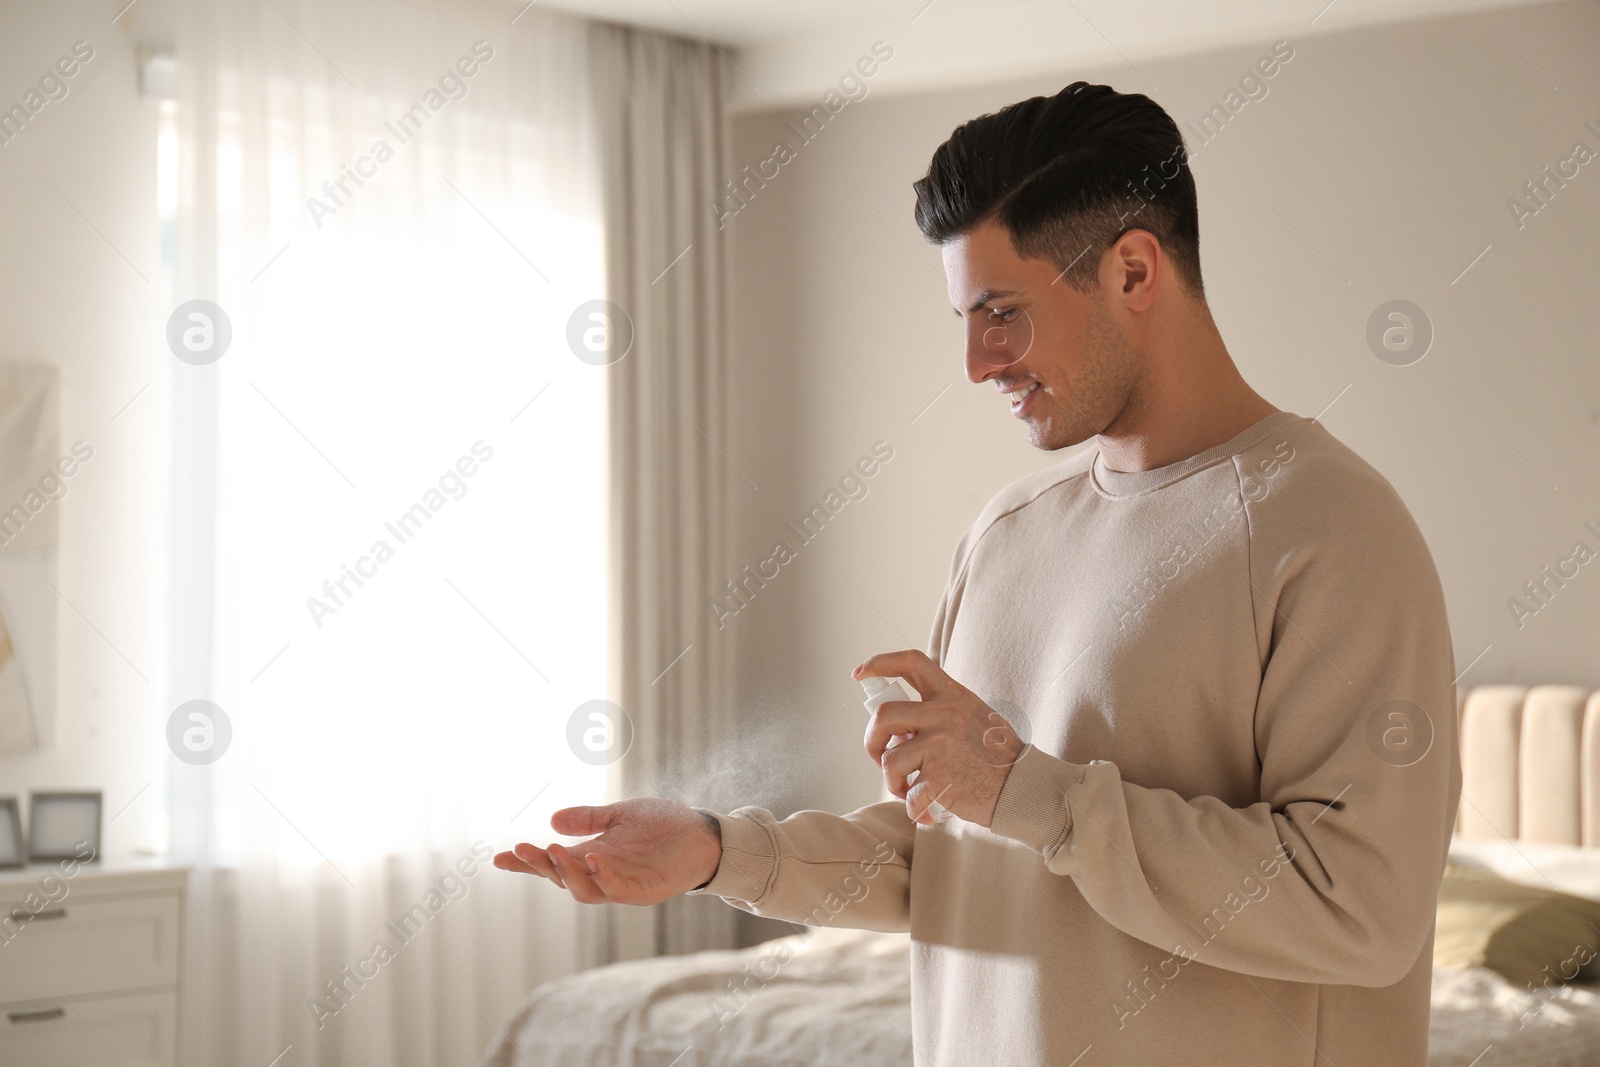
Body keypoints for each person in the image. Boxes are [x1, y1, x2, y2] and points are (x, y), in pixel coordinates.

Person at [494, 81, 1460, 1066]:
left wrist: (1028, 790)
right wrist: (714, 849)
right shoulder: (1007, 532)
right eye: (965, 315)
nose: (974, 360)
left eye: (1001, 311)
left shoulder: (1330, 527)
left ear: (1133, 270)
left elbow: (1359, 908)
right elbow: (964, 860)